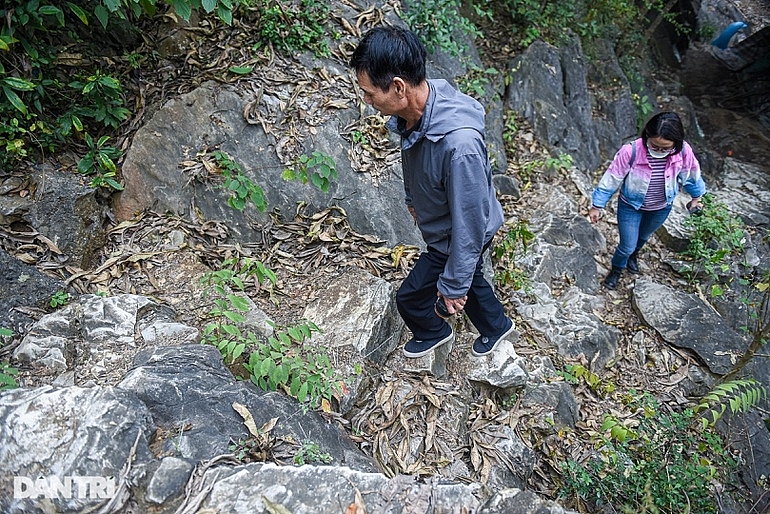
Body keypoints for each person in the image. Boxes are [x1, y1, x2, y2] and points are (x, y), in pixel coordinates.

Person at [348, 26, 514, 358]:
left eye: (368, 93)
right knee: (475, 277)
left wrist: (452, 289)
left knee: (410, 297)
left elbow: (470, 224)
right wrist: (414, 201)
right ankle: (496, 326)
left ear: (398, 87)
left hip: (458, 233)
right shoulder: (422, 105)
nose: (366, 100)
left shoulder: (460, 145)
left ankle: (434, 331)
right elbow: (416, 154)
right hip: (447, 224)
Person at [588, 111, 707, 290]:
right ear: (646, 136)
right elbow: (612, 177)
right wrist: (597, 205)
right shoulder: (632, 151)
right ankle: (617, 269)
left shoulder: (683, 151)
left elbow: (691, 175)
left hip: (661, 207)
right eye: (654, 146)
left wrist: (696, 197)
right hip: (631, 206)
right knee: (627, 245)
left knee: (643, 237)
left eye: (665, 148)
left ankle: (634, 256)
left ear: (676, 142)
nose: (659, 151)